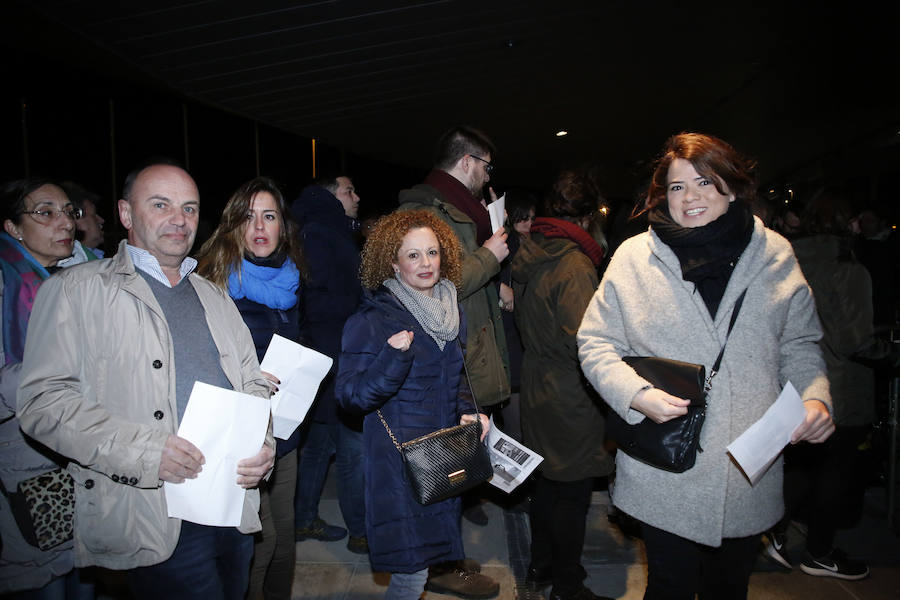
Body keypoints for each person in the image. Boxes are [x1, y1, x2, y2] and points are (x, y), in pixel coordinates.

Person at [577, 133, 835, 600]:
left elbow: (801, 344)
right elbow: (595, 341)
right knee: (669, 588)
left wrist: (815, 396)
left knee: (729, 588)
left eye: (704, 182)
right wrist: (635, 395)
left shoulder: (774, 255)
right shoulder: (636, 258)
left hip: (747, 467)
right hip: (666, 465)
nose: (690, 197)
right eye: (677, 187)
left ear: (733, 188)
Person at [17, 161, 275, 600]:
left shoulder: (213, 294)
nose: (179, 219)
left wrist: (263, 443)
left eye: (190, 208)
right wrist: (145, 451)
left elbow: (252, 381)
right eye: (161, 205)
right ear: (126, 214)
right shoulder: (76, 291)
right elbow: (42, 404)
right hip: (150, 512)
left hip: (231, 506)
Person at [335, 210, 495, 600]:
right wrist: (392, 358)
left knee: (425, 562)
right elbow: (350, 396)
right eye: (413, 255)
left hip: (442, 454)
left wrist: (468, 408)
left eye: (432, 252)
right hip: (398, 463)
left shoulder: (450, 309)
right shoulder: (372, 319)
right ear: (392, 262)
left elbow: (455, 375)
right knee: (410, 573)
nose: (425, 263)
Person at [764, 186, 898, 580]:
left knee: (803, 468)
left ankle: (773, 532)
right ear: (849, 224)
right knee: (835, 473)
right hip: (838, 387)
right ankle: (820, 551)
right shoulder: (848, 268)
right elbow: (854, 340)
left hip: (791, 384)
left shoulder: (787, 260)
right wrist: (892, 355)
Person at [398, 126, 509, 574]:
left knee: (464, 445)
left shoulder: (462, 208)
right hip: (448, 351)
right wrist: (491, 256)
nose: (487, 176)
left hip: (470, 342)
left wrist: (496, 283)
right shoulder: (427, 209)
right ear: (468, 162)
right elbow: (441, 280)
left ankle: (459, 518)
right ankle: (445, 565)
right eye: (486, 166)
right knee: (445, 456)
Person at [196, 177, 305, 598]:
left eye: (270, 216)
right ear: (233, 225)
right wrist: (246, 373)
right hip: (242, 431)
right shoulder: (214, 282)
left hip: (285, 427)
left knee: (286, 539)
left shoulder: (290, 279)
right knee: (262, 541)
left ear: (283, 227)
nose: (259, 226)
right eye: (248, 216)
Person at [512, 171, 613, 600]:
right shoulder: (574, 263)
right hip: (568, 390)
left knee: (547, 482)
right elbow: (583, 341)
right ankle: (568, 586)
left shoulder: (533, 248)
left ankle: (541, 563)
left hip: (537, 380)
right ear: (589, 217)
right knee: (571, 492)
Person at [0, 178, 94, 598]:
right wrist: (80, 370)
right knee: (45, 586)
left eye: (69, 211)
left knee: (86, 575)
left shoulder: (83, 278)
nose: (64, 222)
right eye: (45, 212)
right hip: (28, 463)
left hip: (84, 456)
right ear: (13, 228)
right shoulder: (7, 288)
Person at [290, 174, 367, 553]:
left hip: (321, 356)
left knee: (319, 444)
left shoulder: (313, 227)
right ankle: (361, 531)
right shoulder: (323, 231)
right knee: (352, 447)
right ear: (329, 195)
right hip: (333, 358)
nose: (356, 197)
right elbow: (325, 299)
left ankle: (303, 519)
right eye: (348, 191)